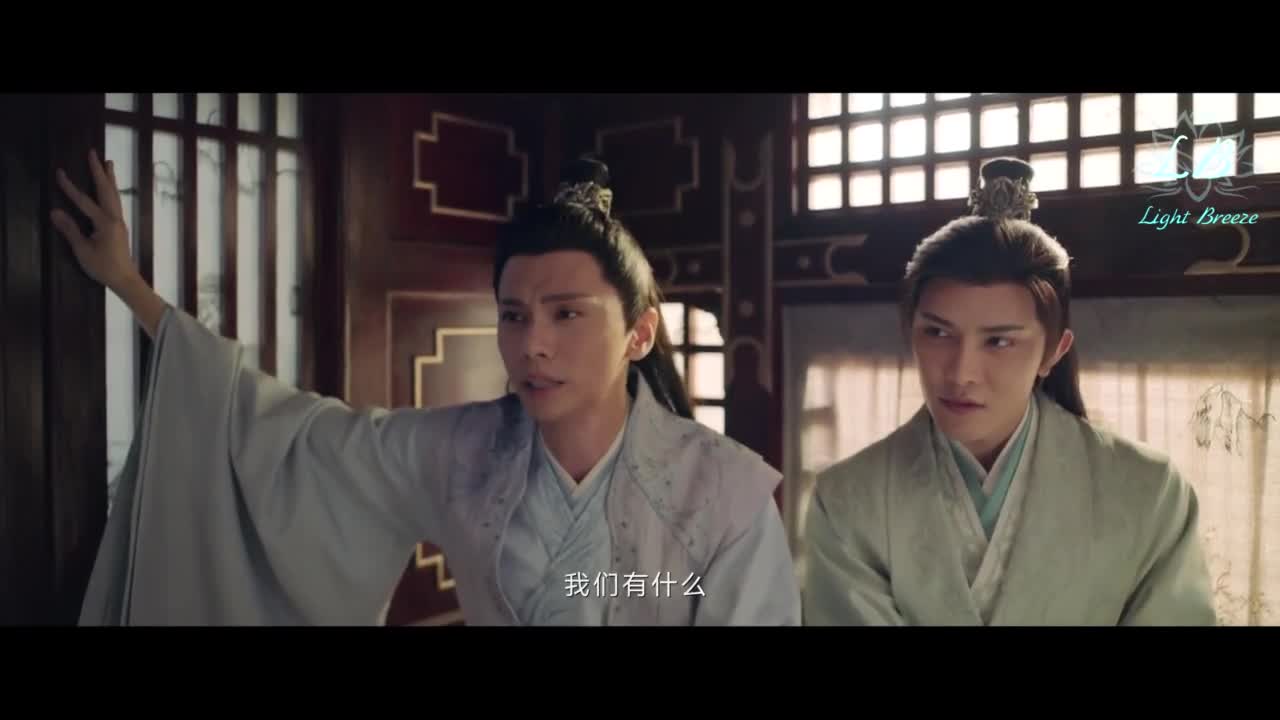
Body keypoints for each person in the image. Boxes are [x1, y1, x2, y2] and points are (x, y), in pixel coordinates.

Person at [57, 149, 800, 626]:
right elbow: (298, 438)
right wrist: (129, 287)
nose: (533, 343)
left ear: (638, 334)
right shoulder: (462, 452)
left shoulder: (722, 495)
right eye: (514, 315)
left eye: (567, 313)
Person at [801, 157, 1218, 626]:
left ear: (1053, 352)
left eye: (998, 341)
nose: (961, 373)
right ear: (909, 332)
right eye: (937, 333)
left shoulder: (1149, 491)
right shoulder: (849, 499)